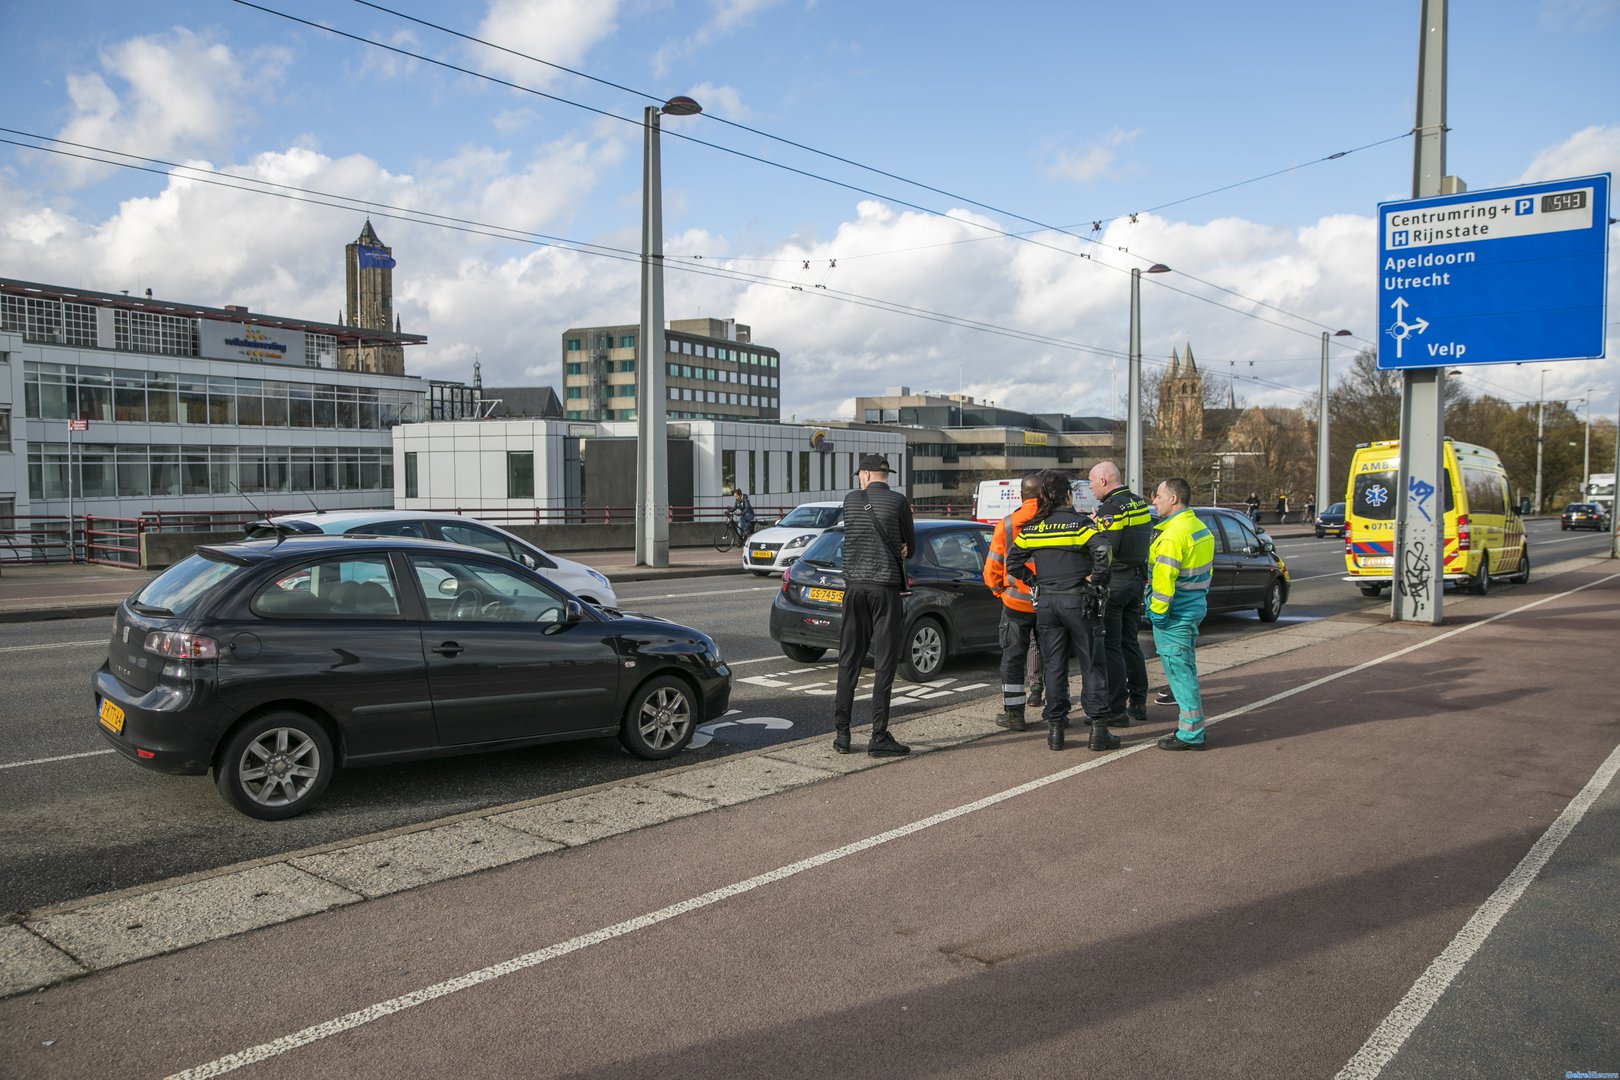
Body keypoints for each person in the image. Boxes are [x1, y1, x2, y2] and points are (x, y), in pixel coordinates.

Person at [1007, 472, 1116, 752]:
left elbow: (1013, 563)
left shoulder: (1033, 528)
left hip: (1047, 604)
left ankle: (1056, 730)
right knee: (1092, 662)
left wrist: (1035, 582)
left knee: (1054, 666)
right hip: (1078, 601)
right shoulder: (1079, 524)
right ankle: (1098, 729)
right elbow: (1104, 549)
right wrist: (1097, 580)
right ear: (1068, 494)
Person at [831, 453, 916, 757]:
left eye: (859, 475)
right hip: (885, 588)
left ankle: (842, 735)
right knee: (884, 664)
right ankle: (878, 736)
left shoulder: (850, 500)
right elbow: (910, 547)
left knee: (849, 660)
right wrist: (902, 546)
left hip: (854, 589)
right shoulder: (898, 502)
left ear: (865, 475)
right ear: (885, 474)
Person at [1147, 477, 1216, 751]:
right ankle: (1193, 727)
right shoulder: (1199, 529)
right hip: (1193, 608)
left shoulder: (1172, 536)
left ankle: (1190, 733)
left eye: (1158, 496)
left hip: (1174, 615)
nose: (1154, 501)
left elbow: (1163, 584)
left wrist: (1157, 613)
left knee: (1178, 671)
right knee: (1185, 668)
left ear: (1173, 499)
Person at [1087, 460, 1153, 727]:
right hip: (1136, 581)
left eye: (1091, 482)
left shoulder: (1112, 509)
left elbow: (1105, 550)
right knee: (1131, 642)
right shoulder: (1139, 503)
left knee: (1111, 646)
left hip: (1116, 584)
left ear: (1103, 480)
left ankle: (1116, 709)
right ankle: (1138, 702)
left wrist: (1094, 527)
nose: (1090, 488)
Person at [983, 473, 1045, 731]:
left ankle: (1014, 715)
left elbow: (992, 568)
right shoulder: (1053, 521)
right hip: (1048, 602)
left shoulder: (1007, 524)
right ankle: (1055, 713)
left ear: (1022, 495)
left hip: (1015, 603)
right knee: (1053, 656)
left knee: (1012, 659)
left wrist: (1000, 591)